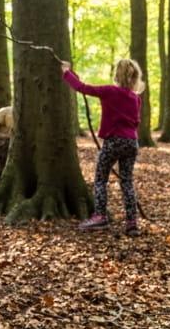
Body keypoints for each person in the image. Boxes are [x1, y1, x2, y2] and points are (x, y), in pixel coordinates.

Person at [61, 58, 145, 236]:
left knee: (100, 179)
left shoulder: (109, 91)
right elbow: (136, 121)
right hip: (132, 143)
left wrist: (66, 73)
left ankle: (100, 216)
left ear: (117, 75)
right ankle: (131, 222)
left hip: (114, 141)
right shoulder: (135, 99)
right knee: (127, 182)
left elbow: (82, 88)